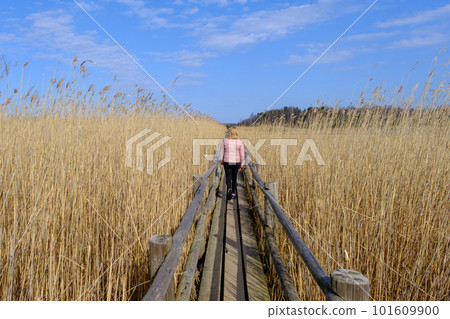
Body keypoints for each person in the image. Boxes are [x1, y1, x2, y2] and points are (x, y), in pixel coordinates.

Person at [219, 126, 245, 200]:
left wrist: (221, 160)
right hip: (236, 162)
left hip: (227, 161)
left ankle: (229, 189)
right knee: (234, 177)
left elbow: (222, 151)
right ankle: (233, 193)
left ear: (229, 133)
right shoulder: (240, 142)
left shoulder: (225, 141)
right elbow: (242, 154)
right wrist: (242, 164)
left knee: (228, 176)